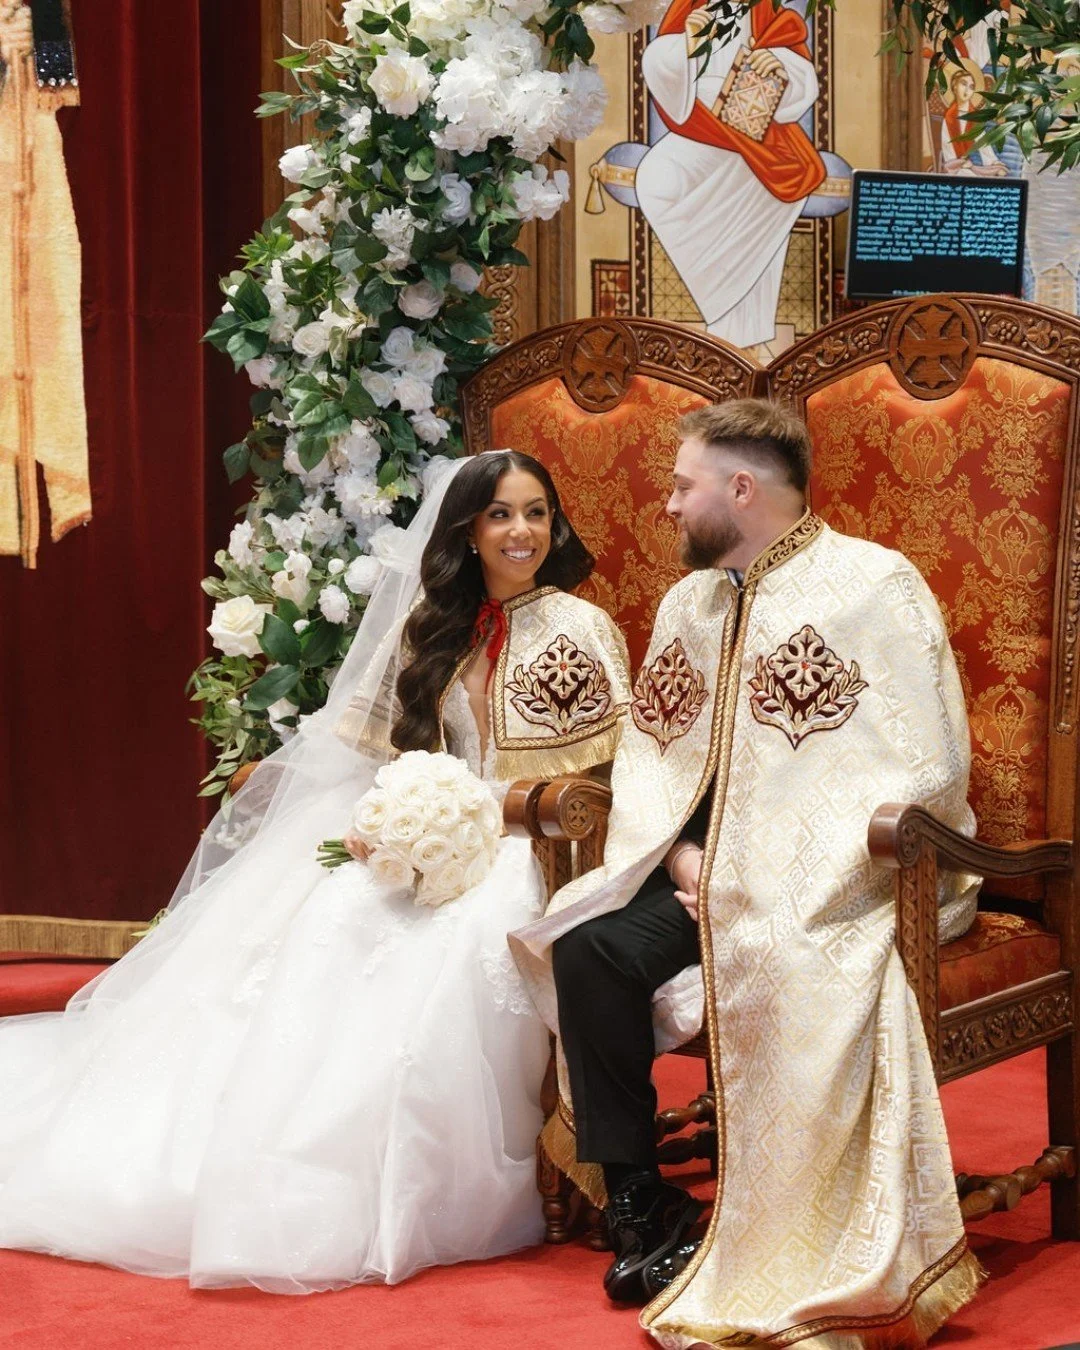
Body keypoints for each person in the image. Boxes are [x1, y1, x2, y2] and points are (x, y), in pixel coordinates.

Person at [0, 450, 631, 1291]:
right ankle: (280, 1154)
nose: (523, 532)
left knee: (462, 950)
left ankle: (417, 1171)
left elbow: (614, 778)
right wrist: (391, 823)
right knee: (336, 917)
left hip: (540, 847)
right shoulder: (429, 628)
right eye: (501, 514)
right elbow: (384, 758)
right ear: (466, 531)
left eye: (538, 512)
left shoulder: (581, 628)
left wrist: (495, 819)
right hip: (431, 839)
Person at [511, 400, 984, 1344]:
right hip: (702, 869)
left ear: (740, 488)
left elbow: (926, 764)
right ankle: (641, 1203)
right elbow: (658, 755)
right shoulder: (689, 603)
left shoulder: (875, 586)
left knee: (786, 957)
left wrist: (774, 867)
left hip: (838, 881)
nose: (667, 505)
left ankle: (790, 1226)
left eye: (682, 486)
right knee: (589, 946)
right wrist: (687, 854)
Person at [635, 0, 825, 352]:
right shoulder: (694, 9)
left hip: (756, 132)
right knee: (654, 179)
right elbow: (658, 58)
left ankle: (740, 340)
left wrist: (780, 64)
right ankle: (723, 314)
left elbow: (801, 74)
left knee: (761, 201)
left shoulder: (768, 12)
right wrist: (686, 45)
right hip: (700, 128)